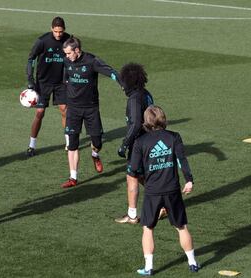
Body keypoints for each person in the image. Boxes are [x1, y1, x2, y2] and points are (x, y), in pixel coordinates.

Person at [127, 106, 199, 276]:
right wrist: (189, 180)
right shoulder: (174, 137)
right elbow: (182, 160)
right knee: (181, 227)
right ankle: (193, 262)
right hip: (173, 189)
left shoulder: (140, 142)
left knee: (148, 228)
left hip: (152, 192)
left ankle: (149, 267)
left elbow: (134, 170)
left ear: (146, 121)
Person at [60, 36, 126, 188]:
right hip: (73, 109)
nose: (67, 57)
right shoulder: (66, 61)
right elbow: (66, 78)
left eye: (69, 53)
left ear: (77, 50)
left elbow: (110, 71)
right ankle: (73, 177)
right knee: (72, 144)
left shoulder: (92, 61)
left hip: (91, 108)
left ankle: (95, 154)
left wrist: (122, 83)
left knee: (97, 141)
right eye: (65, 54)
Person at [114, 63, 154, 224]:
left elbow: (136, 124)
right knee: (142, 175)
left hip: (139, 143)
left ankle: (132, 215)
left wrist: (125, 144)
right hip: (150, 140)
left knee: (132, 176)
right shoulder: (145, 93)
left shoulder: (134, 99)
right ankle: (165, 202)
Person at [26, 16, 71, 157]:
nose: (58, 34)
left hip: (61, 83)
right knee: (39, 113)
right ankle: (31, 145)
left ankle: (69, 143)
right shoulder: (42, 41)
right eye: (56, 31)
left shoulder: (69, 40)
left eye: (61, 31)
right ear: (51, 29)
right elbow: (31, 58)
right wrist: (30, 79)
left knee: (65, 110)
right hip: (43, 83)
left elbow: (75, 57)